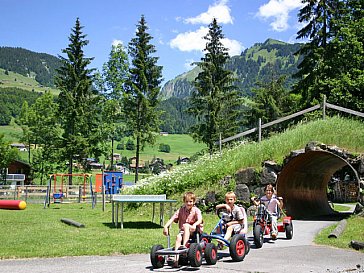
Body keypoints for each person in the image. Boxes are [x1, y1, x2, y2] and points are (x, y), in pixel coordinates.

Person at [163, 191, 203, 266]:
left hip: (194, 230)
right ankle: (176, 259)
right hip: (183, 232)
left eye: (190, 201)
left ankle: (184, 247)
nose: (188, 203)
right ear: (184, 202)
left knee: (186, 225)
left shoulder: (196, 210)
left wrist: (195, 224)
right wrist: (165, 226)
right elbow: (172, 219)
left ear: (193, 202)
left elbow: (200, 219)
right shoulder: (181, 210)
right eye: (186, 202)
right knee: (178, 237)